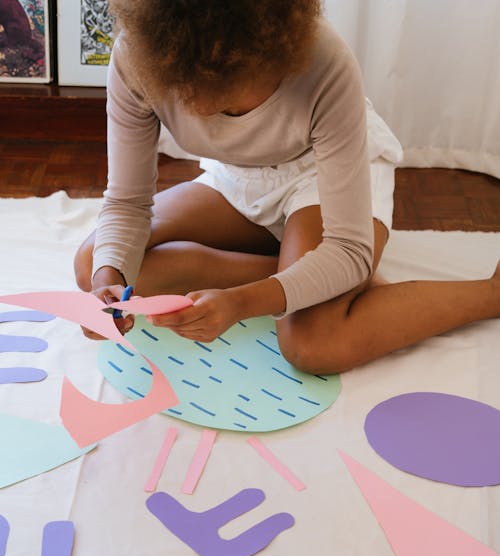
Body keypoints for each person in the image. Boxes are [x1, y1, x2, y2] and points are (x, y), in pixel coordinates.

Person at [74, 0, 500, 375]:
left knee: (312, 342)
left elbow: (347, 247)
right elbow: (128, 204)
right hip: (241, 175)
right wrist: (106, 286)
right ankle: (318, 275)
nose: (203, 110)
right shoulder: (139, 56)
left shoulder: (324, 62)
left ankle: (491, 293)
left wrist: (241, 302)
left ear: (271, 55)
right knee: (96, 262)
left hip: (322, 174)